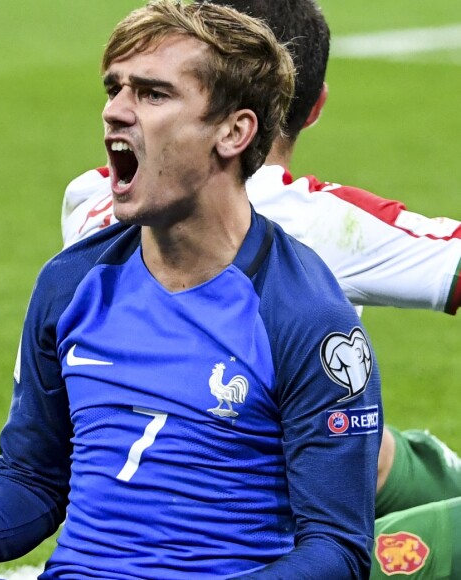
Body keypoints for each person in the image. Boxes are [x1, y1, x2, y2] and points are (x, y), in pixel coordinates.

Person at [0, 1, 383, 577]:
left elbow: (336, 551)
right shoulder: (71, 283)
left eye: (152, 94)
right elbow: (33, 481)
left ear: (234, 131)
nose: (116, 112)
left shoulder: (307, 318)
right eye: (114, 89)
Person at [61, 0, 461, 522]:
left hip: (119, 500)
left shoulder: (92, 197)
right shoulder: (314, 223)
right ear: (313, 106)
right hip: (258, 532)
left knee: (337, 421)